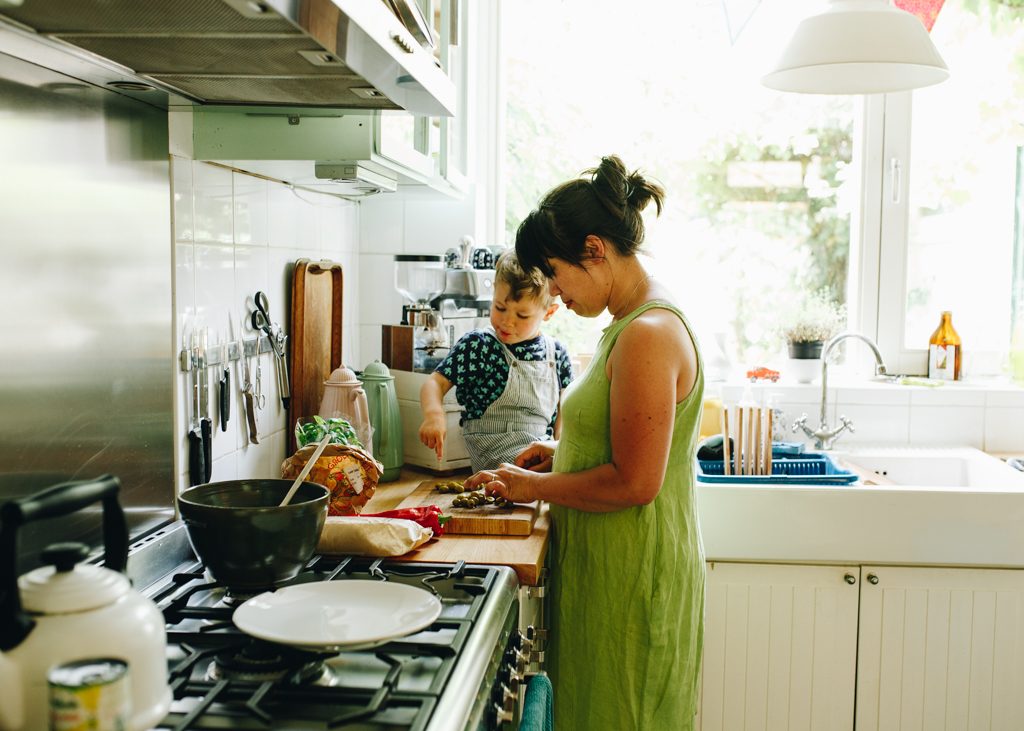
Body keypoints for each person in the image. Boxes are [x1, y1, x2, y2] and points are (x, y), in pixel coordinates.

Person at [464, 155, 705, 729]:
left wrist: (533, 485)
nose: (553, 290)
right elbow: (626, 444)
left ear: (593, 250)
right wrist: (563, 454)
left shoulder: (647, 333)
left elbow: (636, 481)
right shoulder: (631, 323)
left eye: (554, 270)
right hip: (611, 572)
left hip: (634, 580)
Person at [418, 251, 574, 472]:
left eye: (522, 316)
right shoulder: (478, 345)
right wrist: (434, 415)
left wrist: (560, 450)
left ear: (549, 312)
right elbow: (435, 383)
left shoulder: (557, 353)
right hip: (494, 461)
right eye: (500, 308)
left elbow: (564, 414)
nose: (507, 322)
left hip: (542, 454)